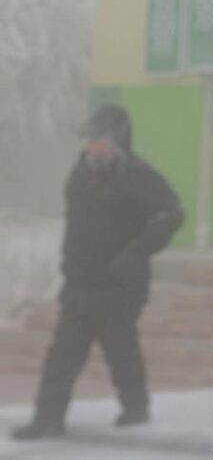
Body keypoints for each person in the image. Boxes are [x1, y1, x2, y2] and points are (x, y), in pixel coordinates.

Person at [11, 105, 184, 440]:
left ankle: (135, 406)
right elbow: (77, 228)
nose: (93, 147)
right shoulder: (81, 176)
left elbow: (172, 213)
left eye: (100, 140)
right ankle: (48, 419)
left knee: (121, 349)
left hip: (120, 285)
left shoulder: (138, 175)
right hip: (80, 283)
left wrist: (138, 251)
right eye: (90, 140)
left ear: (119, 139)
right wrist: (69, 266)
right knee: (62, 356)